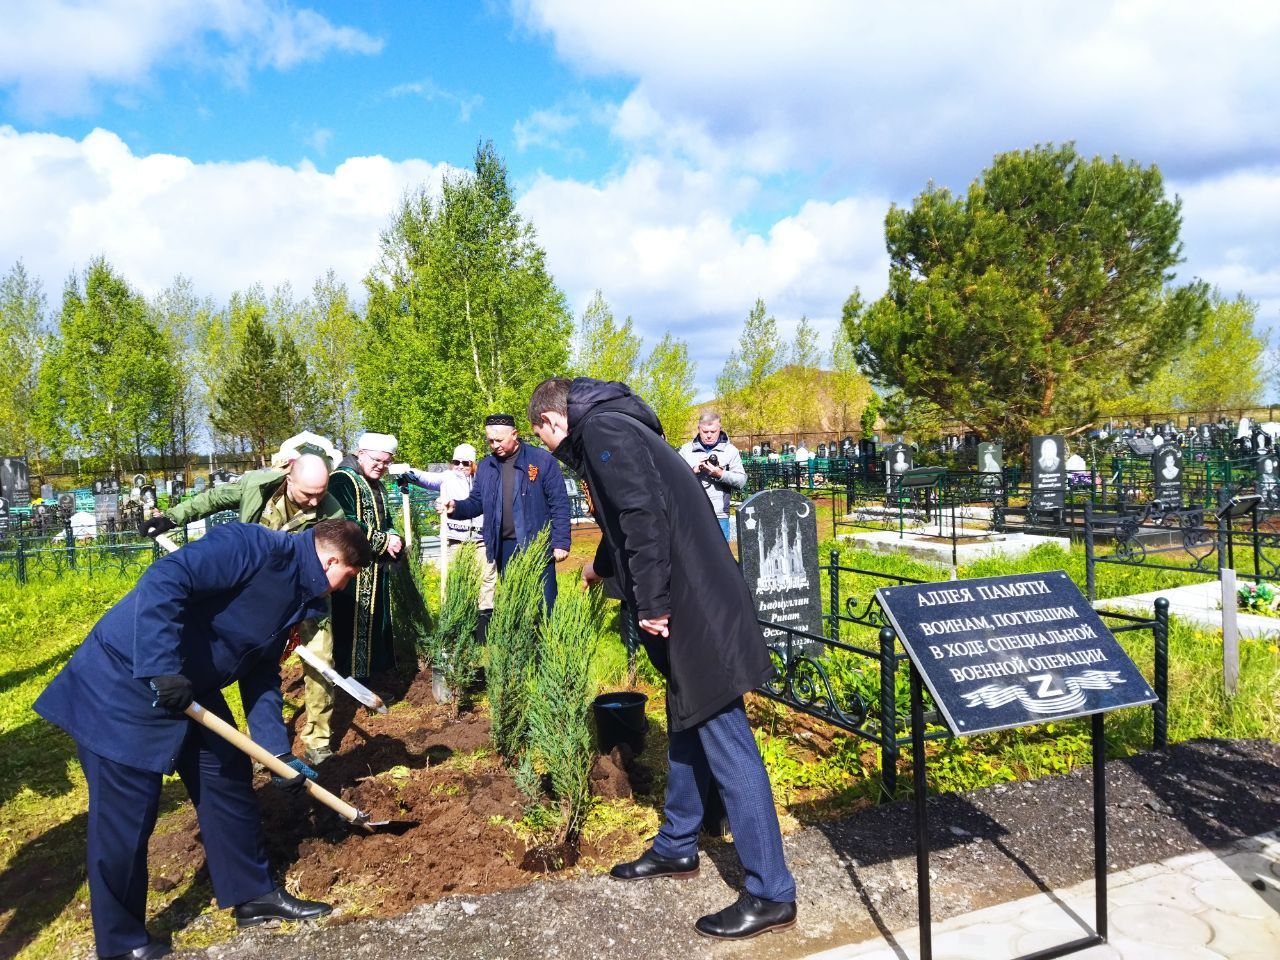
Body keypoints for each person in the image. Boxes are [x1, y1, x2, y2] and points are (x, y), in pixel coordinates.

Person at [528, 377, 797, 941]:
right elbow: (628, 515)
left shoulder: (601, 428)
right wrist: (602, 566)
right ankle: (678, 843)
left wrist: (650, 600)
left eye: (543, 438)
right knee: (686, 722)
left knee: (726, 738)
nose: (549, 450)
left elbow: (643, 513)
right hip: (692, 600)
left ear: (552, 422)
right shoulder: (618, 427)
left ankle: (771, 891)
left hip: (691, 609)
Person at [33, 519, 372, 960]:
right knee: (127, 815)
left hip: (188, 687)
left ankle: (253, 895)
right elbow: (166, 578)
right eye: (349, 576)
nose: (345, 588)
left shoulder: (298, 595)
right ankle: (120, 943)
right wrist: (160, 666)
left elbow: (261, 673)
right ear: (330, 560)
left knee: (226, 777)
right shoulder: (253, 545)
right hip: (125, 682)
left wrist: (276, 753)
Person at [141, 448, 346, 767]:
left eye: (322, 494)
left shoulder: (331, 513)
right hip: (255, 592)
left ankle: (318, 740)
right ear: (289, 477)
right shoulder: (258, 486)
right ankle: (269, 748)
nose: (316, 502)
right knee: (258, 665)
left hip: (308, 597)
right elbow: (214, 498)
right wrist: (172, 517)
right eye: (309, 494)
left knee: (321, 661)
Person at [444, 414, 571, 613]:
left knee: (545, 604)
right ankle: (520, 642)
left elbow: (559, 503)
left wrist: (561, 541)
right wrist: (456, 507)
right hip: (504, 547)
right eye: (490, 441)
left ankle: (549, 642)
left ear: (514, 434)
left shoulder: (542, 460)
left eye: (499, 440)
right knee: (516, 603)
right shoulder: (486, 466)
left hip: (537, 543)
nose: (494, 445)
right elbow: (477, 502)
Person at [394, 443, 499, 641]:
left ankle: (483, 631)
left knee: (486, 581)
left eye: (465, 462)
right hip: (455, 541)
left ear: (473, 463)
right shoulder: (447, 479)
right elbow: (426, 477)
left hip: (482, 539)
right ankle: (460, 626)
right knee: (457, 581)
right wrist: (408, 472)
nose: (460, 466)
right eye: (456, 462)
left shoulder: (483, 479)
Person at [328, 433, 405, 678]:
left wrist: (393, 535)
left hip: (374, 567)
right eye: (377, 460)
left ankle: (373, 674)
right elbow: (345, 521)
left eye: (386, 462)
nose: (381, 466)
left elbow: (386, 518)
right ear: (360, 453)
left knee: (374, 624)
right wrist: (384, 540)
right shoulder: (342, 479)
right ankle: (351, 679)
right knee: (351, 626)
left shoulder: (375, 481)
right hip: (350, 570)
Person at [677, 411, 746, 541]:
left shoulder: (730, 451)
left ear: (719, 429)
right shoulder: (685, 451)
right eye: (705, 431)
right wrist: (693, 471)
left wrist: (720, 474)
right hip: (691, 514)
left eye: (713, 431)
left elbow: (741, 481)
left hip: (719, 516)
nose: (709, 435)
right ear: (699, 429)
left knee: (721, 559)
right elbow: (673, 480)